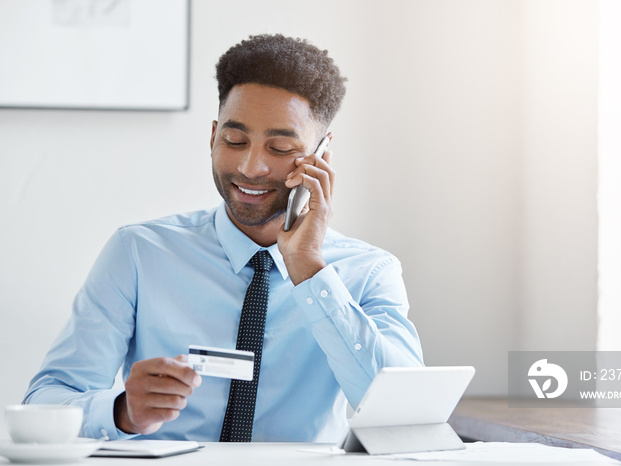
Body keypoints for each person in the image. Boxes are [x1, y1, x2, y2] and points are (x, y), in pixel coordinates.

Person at [24, 34, 423, 443]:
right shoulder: (139, 253)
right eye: (235, 141)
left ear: (322, 155)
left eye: (280, 147)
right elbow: (45, 402)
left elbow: (406, 418)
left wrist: (308, 267)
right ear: (213, 135)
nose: (252, 166)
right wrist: (121, 411)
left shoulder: (370, 272)